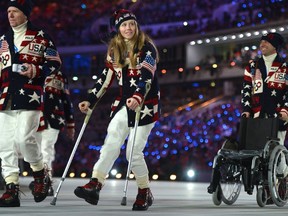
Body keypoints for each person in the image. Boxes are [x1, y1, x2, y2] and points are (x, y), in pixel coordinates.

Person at [74, 9, 160, 211]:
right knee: (111, 141)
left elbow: (147, 76)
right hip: (124, 104)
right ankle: (95, 184)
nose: (128, 28)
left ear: (136, 26)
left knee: (133, 152)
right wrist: (89, 99)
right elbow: (104, 78)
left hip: (145, 106)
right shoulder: (114, 51)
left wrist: (138, 96)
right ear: (118, 29)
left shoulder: (147, 49)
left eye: (131, 24)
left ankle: (143, 191)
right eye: (123, 25)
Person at [207, 32, 288, 194]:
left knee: (276, 151)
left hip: (277, 116)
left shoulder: (284, 67)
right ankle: (264, 184)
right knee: (255, 151)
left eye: (266, 42)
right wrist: (245, 110)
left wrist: (285, 110)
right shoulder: (252, 66)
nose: (262, 44)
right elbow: (246, 91)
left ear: (275, 46)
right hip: (256, 116)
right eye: (261, 42)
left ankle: (283, 177)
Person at [0, 0, 62, 207]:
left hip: (29, 94)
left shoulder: (41, 37)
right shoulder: (3, 40)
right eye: (8, 11)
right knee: (5, 144)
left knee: (24, 139)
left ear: (25, 14)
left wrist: (37, 71)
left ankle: (39, 173)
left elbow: (55, 64)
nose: (10, 15)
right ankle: (11, 188)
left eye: (14, 11)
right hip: (5, 96)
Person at [29, 70, 75, 196]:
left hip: (54, 118)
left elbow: (66, 99)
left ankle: (46, 182)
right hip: (34, 116)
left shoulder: (60, 75)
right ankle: (39, 181)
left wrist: (70, 123)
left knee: (46, 150)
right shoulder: (33, 68)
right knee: (35, 150)